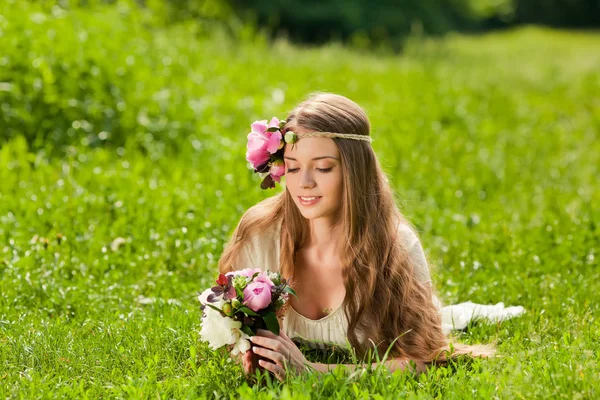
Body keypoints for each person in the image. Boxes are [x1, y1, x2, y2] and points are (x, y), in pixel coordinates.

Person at [217, 92, 523, 381]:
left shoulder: (394, 246)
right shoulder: (261, 234)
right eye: (294, 168)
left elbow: (423, 359)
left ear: (354, 170)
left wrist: (312, 370)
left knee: (437, 319)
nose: (305, 183)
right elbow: (230, 324)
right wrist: (248, 352)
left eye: (323, 168)